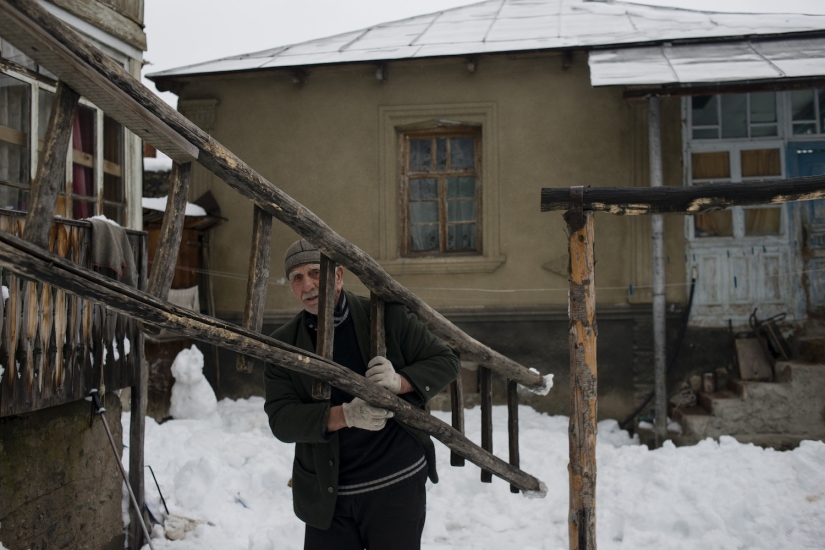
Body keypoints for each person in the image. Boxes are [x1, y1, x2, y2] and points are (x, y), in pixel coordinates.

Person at [264, 239, 460, 550]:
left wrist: (400, 381)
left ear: (338, 276)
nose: (308, 285)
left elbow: (446, 361)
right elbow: (281, 420)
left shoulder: (383, 317)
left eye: (316, 272)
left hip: (396, 481)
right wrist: (345, 415)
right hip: (329, 496)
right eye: (297, 278)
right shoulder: (283, 344)